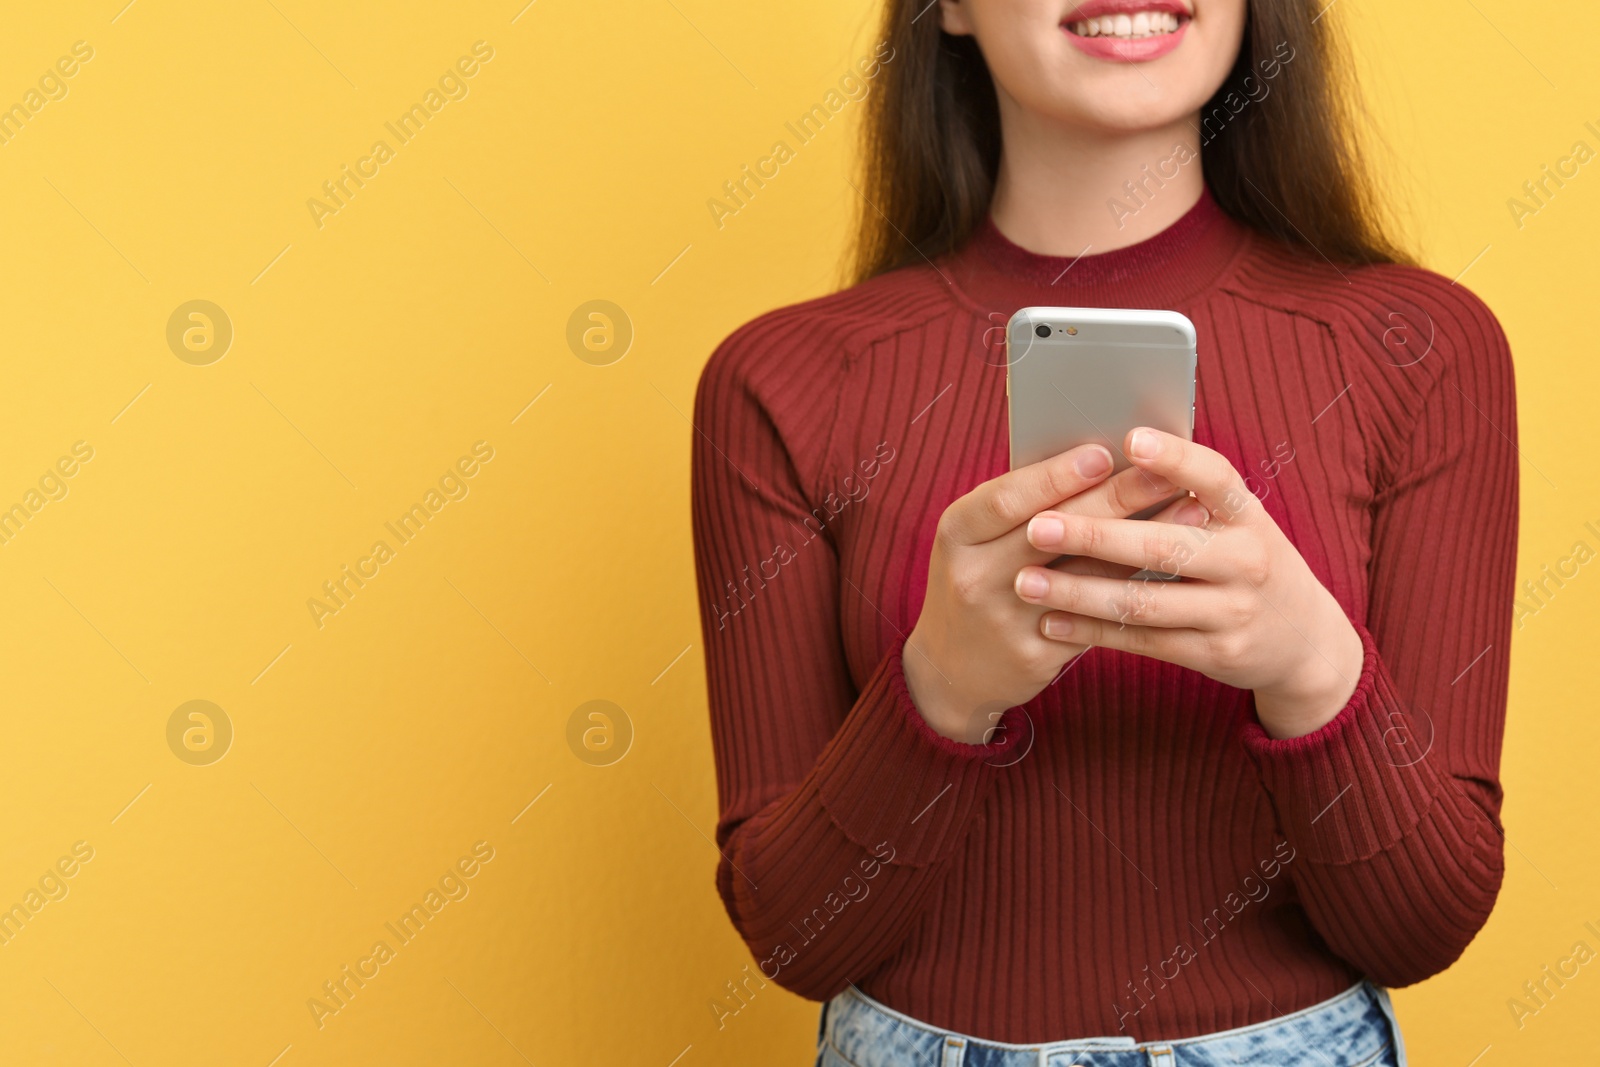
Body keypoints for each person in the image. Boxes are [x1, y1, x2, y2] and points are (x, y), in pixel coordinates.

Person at [690, 1, 1517, 1063]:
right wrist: (942, 685)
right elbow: (796, 936)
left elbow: (1421, 925)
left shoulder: (1422, 349)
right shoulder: (781, 382)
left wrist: (1310, 666)